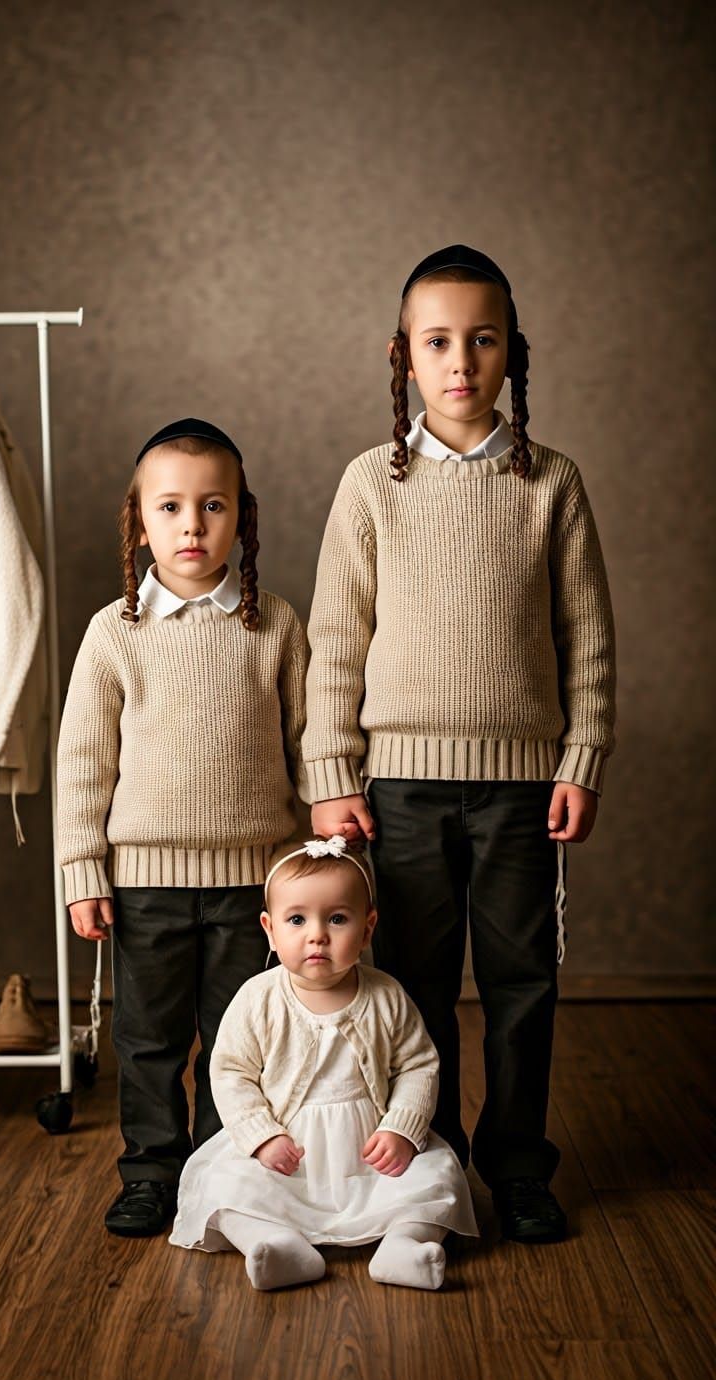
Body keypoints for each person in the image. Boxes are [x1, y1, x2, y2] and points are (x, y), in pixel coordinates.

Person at [301, 245, 616, 1243]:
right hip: (398, 787)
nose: (462, 361)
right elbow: (335, 641)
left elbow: (589, 637)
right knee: (415, 986)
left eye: (483, 340)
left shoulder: (552, 484)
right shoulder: (369, 486)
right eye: (439, 341)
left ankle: (519, 1164)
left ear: (513, 353)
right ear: (405, 357)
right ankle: (428, 1163)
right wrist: (329, 774)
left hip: (522, 786)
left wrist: (583, 756)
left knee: (523, 981)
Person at [57, 418, 307, 1238]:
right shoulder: (113, 633)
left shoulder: (274, 625)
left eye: (212, 506)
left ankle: (222, 1171)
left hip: (254, 883)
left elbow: (309, 743)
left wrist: (319, 852)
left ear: (244, 518)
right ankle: (151, 1172)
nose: (192, 526)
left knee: (241, 1041)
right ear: (139, 521)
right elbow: (84, 765)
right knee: (150, 1041)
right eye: (169, 508)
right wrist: (82, 871)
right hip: (145, 883)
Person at [169, 837, 477, 1290]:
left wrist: (402, 1128)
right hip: (287, 1154)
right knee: (225, 1186)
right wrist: (260, 1136)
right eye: (297, 919)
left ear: (368, 927)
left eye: (337, 918)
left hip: (370, 1152)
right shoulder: (258, 999)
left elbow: (418, 1065)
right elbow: (232, 1072)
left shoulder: (386, 995)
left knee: (439, 1176)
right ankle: (273, 1243)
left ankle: (404, 1245)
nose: (317, 934)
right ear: (270, 930)